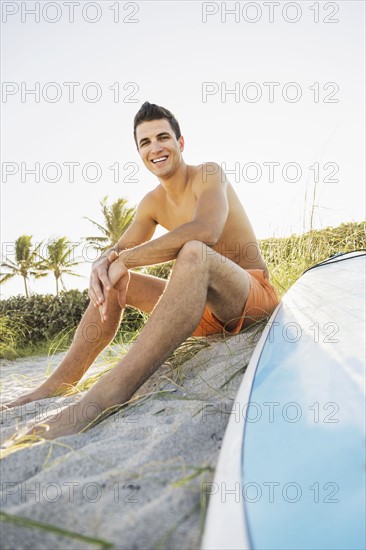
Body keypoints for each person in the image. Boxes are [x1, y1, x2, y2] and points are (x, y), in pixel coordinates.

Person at [3, 102, 279, 439]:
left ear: (180, 143)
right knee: (114, 278)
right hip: (202, 315)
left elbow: (207, 230)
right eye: (145, 142)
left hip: (249, 298)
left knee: (194, 252)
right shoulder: (151, 202)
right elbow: (117, 252)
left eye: (163, 137)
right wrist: (102, 263)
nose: (155, 147)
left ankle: (109, 392)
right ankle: (58, 383)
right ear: (139, 152)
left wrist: (124, 259)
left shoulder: (207, 174)